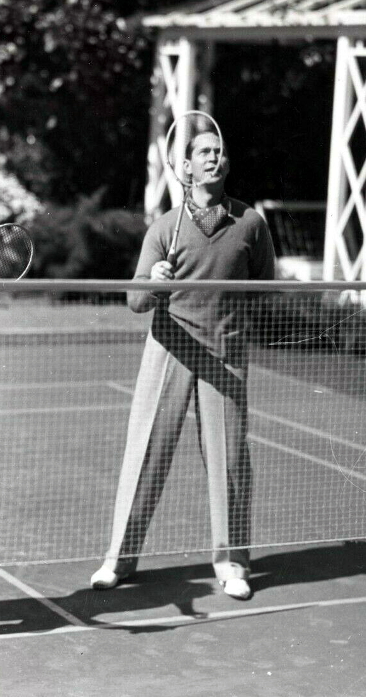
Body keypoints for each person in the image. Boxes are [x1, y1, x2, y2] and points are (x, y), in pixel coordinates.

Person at [90, 129, 275, 600]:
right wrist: (153, 281)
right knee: (147, 453)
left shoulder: (251, 223)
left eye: (221, 150)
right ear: (186, 167)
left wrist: (232, 322)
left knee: (231, 460)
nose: (216, 157)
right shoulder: (164, 228)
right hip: (170, 347)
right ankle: (120, 558)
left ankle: (233, 562)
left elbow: (265, 287)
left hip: (225, 352)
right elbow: (135, 302)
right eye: (205, 152)